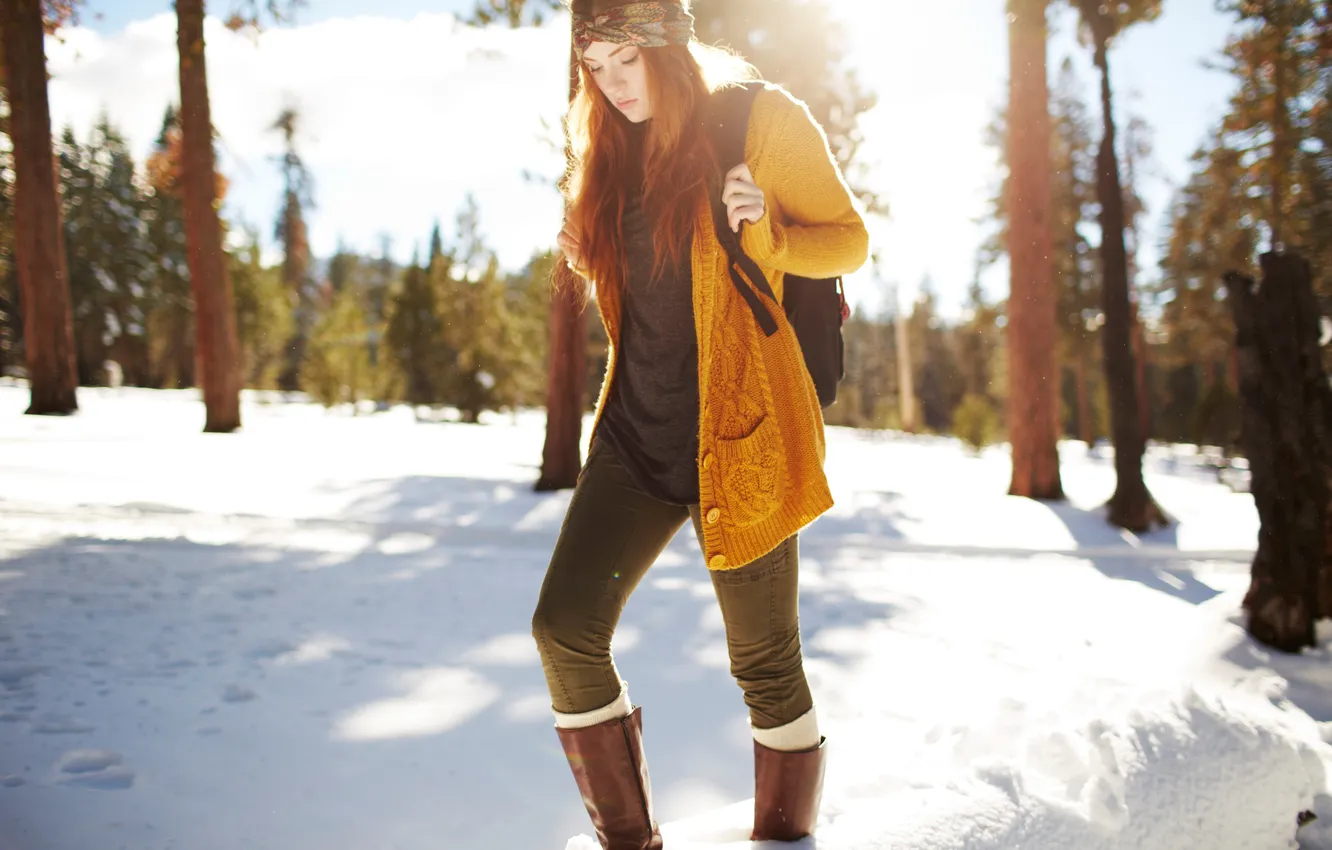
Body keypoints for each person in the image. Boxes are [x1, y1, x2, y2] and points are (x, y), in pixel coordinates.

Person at [530, 1, 868, 846]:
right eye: (594, 70)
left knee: (765, 665)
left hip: (743, 433)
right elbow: (651, 293)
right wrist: (590, 253)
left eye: (627, 62)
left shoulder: (759, 121)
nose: (612, 87)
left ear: (670, 46)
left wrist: (771, 234)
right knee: (564, 630)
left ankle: (784, 840)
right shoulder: (609, 148)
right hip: (635, 437)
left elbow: (849, 240)